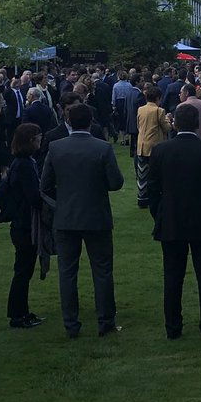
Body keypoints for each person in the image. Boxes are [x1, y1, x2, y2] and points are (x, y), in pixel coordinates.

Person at [40, 103, 126, 338]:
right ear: (90, 122)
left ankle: (71, 324)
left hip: (66, 218)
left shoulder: (57, 148)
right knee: (102, 271)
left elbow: (45, 184)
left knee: (67, 273)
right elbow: (116, 182)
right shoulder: (102, 148)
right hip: (96, 216)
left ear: (68, 122)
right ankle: (105, 321)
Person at [148, 103, 201, 340]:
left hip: (172, 221)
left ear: (174, 122)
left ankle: (173, 327)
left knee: (172, 277)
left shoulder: (161, 151)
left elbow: (152, 191)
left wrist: (160, 214)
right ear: (198, 124)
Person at [6, 124, 47, 329]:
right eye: (38, 137)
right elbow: (33, 196)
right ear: (30, 140)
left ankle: (21, 311)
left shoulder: (20, 162)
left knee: (24, 269)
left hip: (20, 223)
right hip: (24, 225)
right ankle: (17, 314)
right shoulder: (25, 165)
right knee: (23, 270)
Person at [136, 84, 173, 208]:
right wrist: (168, 119)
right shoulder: (159, 111)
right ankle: (154, 197)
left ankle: (142, 198)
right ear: (158, 98)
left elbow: (138, 125)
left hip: (141, 144)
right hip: (155, 146)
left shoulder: (140, 109)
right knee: (156, 174)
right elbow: (167, 128)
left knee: (142, 174)